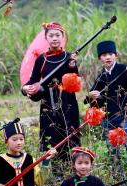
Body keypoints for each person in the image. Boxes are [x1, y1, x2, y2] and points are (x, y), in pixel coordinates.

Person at [22, 22, 80, 161]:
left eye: (57, 35)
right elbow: (32, 80)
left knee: (69, 136)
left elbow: (74, 82)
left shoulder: (69, 57)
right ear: (46, 38)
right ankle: (55, 173)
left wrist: (72, 65)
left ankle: (72, 168)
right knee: (51, 137)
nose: (55, 38)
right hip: (48, 103)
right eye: (51, 35)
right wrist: (25, 89)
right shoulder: (42, 59)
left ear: (63, 37)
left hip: (67, 101)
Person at [87, 40, 127, 175]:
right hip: (109, 118)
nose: (107, 57)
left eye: (110, 54)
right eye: (104, 55)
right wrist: (93, 96)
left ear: (116, 55)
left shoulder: (124, 69)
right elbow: (91, 100)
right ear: (100, 58)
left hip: (125, 115)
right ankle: (119, 177)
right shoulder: (101, 76)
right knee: (112, 150)